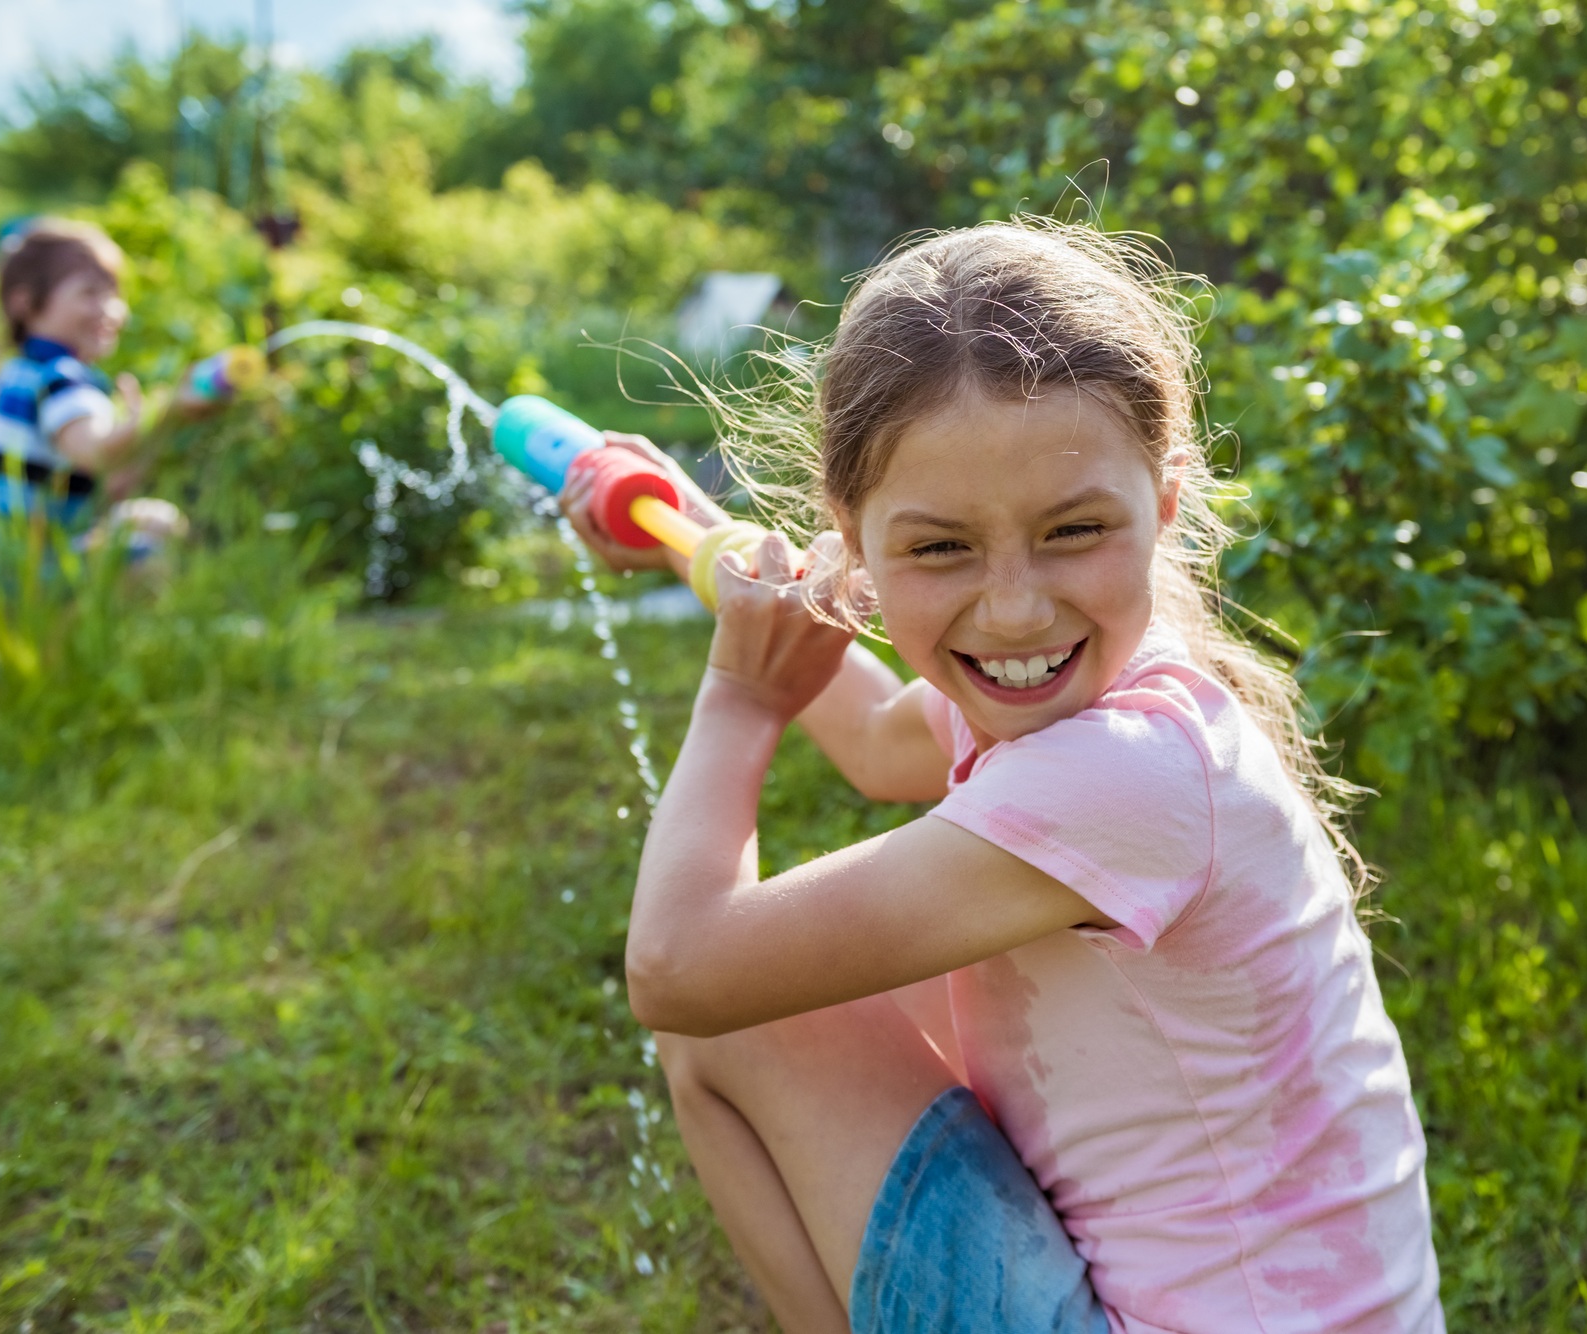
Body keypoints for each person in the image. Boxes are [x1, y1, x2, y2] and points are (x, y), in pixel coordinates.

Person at [562, 221, 1444, 1333]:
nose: (1015, 607)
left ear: (1163, 499)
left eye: (1071, 530)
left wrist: (739, 697)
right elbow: (886, 738)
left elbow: (680, 969)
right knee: (794, 989)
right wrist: (691, 535)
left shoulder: (1126, 775)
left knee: (735, 1016)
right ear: (853, 541)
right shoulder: (1126, 689)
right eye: (938, 550)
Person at [0, 219, 187, 602]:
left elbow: (110, 483)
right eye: (89, 293)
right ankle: (77, 652)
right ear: (24, 304)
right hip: (9, 577)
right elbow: (94, 453)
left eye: (114, 294)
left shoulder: (22, 371)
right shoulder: (61, 378)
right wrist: (164, 412)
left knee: (150, 518)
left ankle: (58, 646)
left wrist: (142, 440)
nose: (110, 309)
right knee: (155, 535)